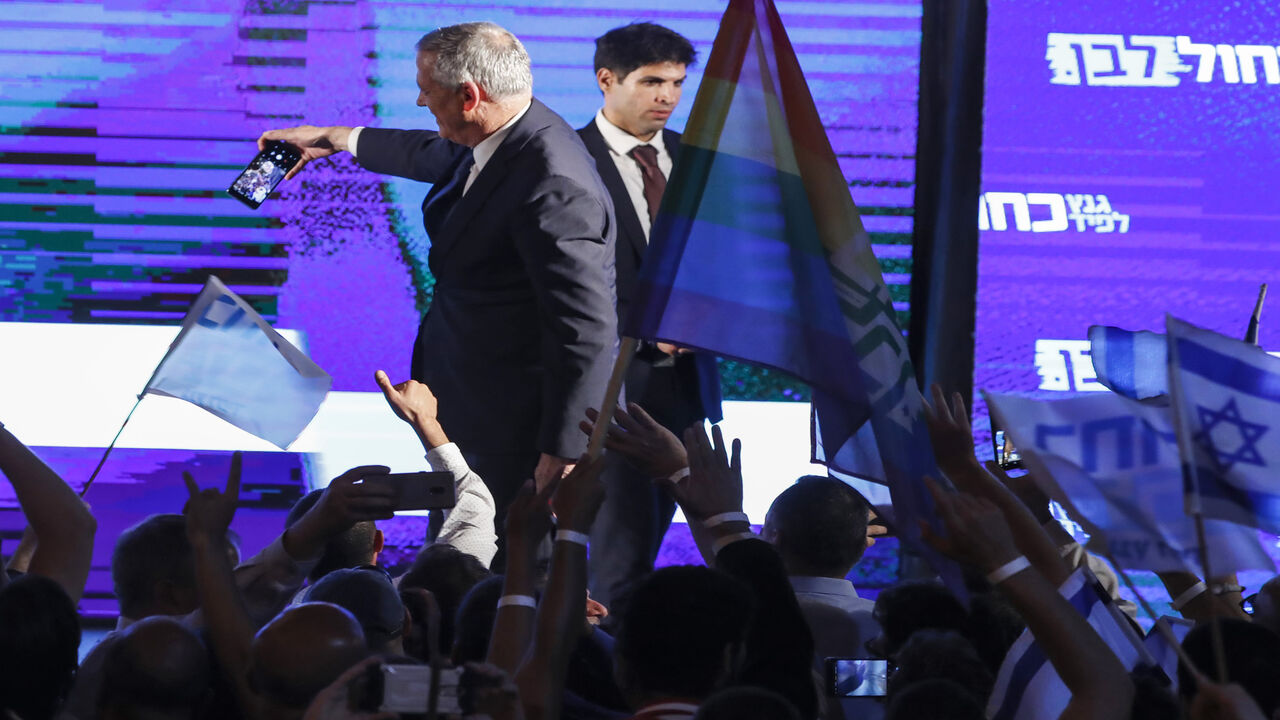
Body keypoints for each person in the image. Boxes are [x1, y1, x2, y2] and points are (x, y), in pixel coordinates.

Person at [260, 22, 618, 559]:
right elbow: (437, 154)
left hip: (516, 429)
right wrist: (335, 140)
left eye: (428, 88)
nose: (420, 98)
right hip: (474, 401)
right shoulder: (508, 133)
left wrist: (565, 450)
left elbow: (587, 330)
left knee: (499, 569)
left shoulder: (553, 184)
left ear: (470, 96)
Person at [577, 21, 722, 624]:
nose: (666, 96)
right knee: (618, 561)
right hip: (611, 395)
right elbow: (558, 280)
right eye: (652, 81)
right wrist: (642, 322)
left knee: (722, 544)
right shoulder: (568, 161)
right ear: (607, 80)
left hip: (688, 394)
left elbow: (728, 263)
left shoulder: (702, 164)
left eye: (677, 83)